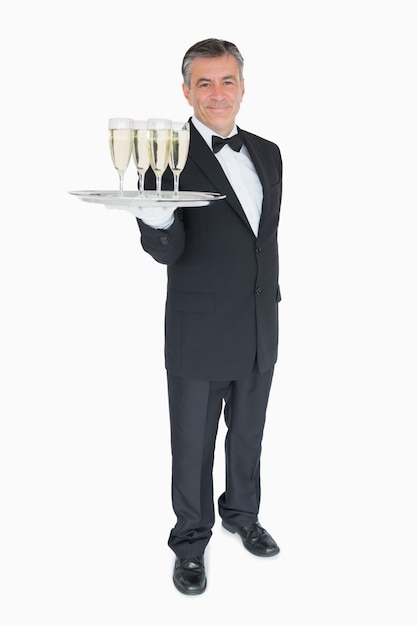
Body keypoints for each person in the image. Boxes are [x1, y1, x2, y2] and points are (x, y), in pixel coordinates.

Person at [136, 38, 283, 595]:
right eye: (204, 83)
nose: (217, 93)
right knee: (193, 444)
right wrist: (157, 219)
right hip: (198, 328)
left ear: (242, 87)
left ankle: (242, 514)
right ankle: (190, 541)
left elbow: (261, 241)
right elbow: (165, 251)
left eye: (227, 81)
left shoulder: (268, 152)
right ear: (186, 92)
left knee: (248, 434)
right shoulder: (164, 153)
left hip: (258, 321)